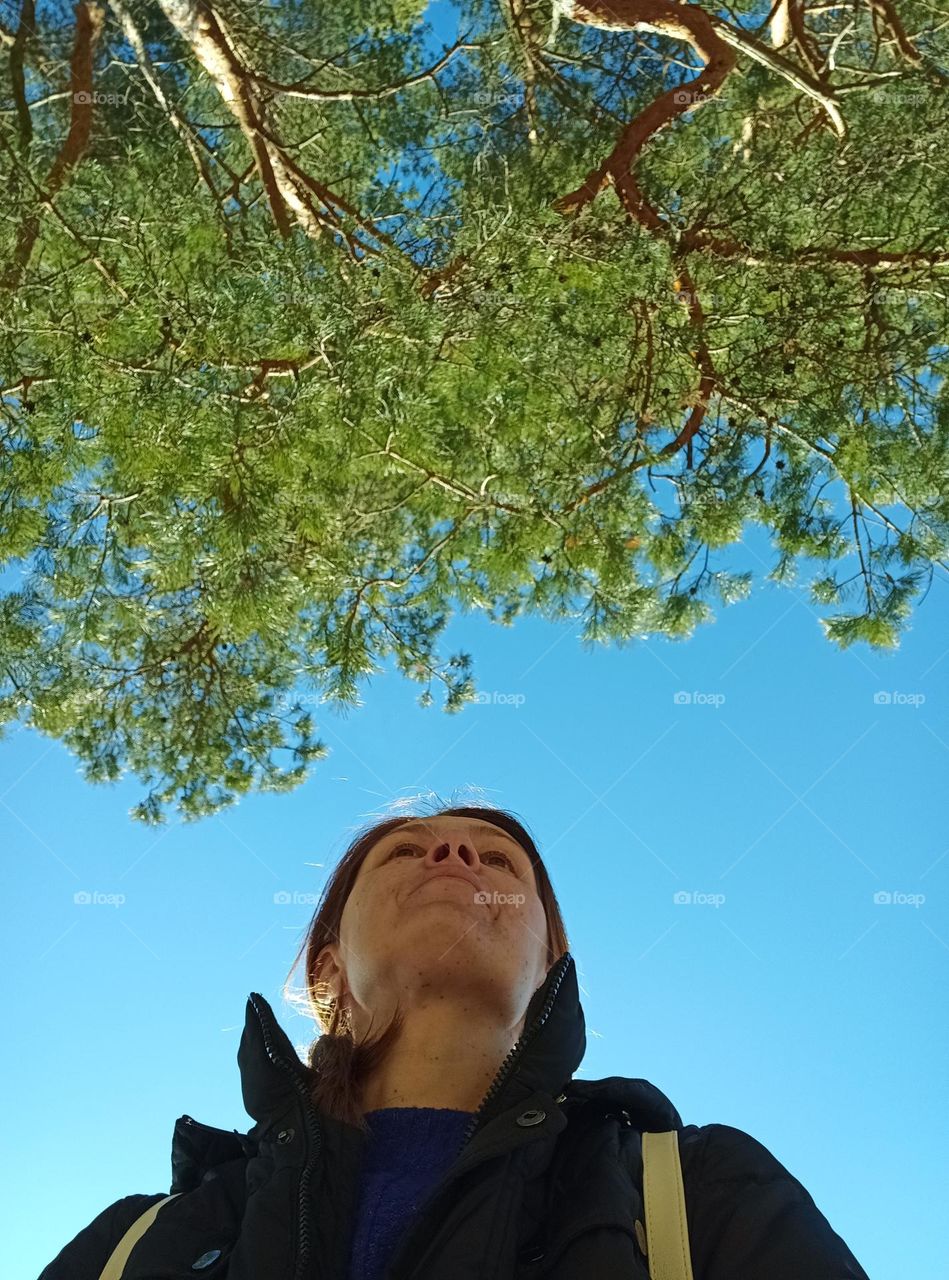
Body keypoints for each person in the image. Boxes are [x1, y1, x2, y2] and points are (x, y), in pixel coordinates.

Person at [38, 804, 871, 1280]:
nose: (452, 851)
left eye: (498, 863)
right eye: (406, 851)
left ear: (549, 962)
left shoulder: (696, 1191)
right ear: (328, 968)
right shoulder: (139, 1242)